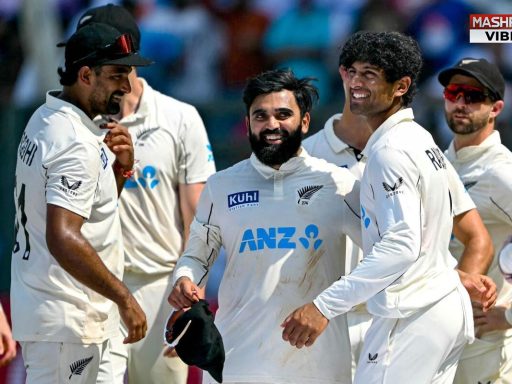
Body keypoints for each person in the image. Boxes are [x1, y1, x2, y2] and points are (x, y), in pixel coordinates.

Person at [282, 31, 495, 384]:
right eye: (352, 71)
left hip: (412, 313)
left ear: (401, 86)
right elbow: (425, 240)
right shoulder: (420, 138)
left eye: (371, 74)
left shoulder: (389, 150)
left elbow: (401, 245)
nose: (356, 82)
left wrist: (323, 306)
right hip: (439, 306)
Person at [169, 68, 361, 384]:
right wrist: (184, 278)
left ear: (305, 122)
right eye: (261, 116)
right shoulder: (220, 186)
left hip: (319, 364)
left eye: (283, 114)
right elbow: (196, 257)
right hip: (238, 361)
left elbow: (381, 258)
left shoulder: (338, 183)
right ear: (247, 124)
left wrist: (328, 306)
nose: (271, 124)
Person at [74, 4, 216, 384]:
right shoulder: (69, 124)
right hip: (89, 289)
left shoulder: (178, 118)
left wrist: (193, 289)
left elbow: (198, 214)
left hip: (158, 289)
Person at [11, 22, 151, 384]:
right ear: (86, 74)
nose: (127, 85)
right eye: (118, 74)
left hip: (71, 316)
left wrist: (120, 171)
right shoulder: (73, 140)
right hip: (67, 319)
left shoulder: (47, 117)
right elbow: (63, 236)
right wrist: (124, 297)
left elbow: (85, 216)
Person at [438, 57, 512, 384]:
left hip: (486, 346)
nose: (460, 103)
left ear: (496, 108)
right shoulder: (436, 162)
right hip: (438, 336)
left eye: (473, 96)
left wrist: (509, 315)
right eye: (454, 93)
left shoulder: (501, 172)